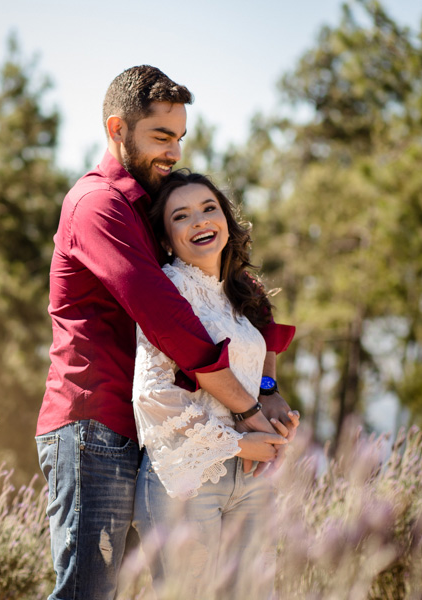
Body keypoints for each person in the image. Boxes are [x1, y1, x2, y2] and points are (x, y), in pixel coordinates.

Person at [35, 65, 299, 599]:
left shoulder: (156, 209)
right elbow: (166, 319)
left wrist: (268, 390)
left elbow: (241, 298)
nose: (174, 151)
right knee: (88, 591)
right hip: (95, 425)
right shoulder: (97, 206)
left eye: (179, 137)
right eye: (160, 136)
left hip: (157, 439)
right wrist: (248, 411)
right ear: (117, 129)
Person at [131, 170, 295, 597]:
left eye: (209, 208)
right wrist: (240, 443)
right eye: (181, 216)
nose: (200, 221)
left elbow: (258, 355)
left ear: (226, 219)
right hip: (189, 479)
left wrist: (270, 394)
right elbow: (153, 396)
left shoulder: (239, 291)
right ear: (166, 240)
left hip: (252, 477)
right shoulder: (168, 291)